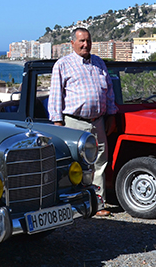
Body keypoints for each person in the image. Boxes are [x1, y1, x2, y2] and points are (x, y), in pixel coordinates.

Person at [48, 27, 117, 216]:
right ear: (72, 43)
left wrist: (111, 115)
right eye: (81, 41)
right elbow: (55, 97)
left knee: (100, 164)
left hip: (98, 122)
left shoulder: (99, 63)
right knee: (75, 165)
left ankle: (98, 205)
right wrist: (58, 125)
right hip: (74, 123)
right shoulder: (63, 65)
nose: (85, 44)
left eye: (88, 40)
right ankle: (75, 205)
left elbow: (109, 92)